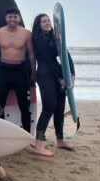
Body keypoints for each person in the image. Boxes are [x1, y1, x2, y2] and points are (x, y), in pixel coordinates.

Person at [31, 13, 75, 156]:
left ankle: (60, 140)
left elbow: (65, 55)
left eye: (49, 20)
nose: (47, 22)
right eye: (44, 21)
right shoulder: (38, 39)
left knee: (60, 107)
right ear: (38, 24)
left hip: (57, 74)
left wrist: (72, 74)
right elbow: (49, 60)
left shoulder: (55, 38)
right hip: (45, 74)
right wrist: (60, 79)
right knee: (49, 107)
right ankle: (38, 144)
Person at [0, 7, 36, 132]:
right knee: (0, 104)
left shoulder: (26, 33)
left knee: (24, 105)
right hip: (3, 70)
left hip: (20, 71)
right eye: (10, 16)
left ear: (19, 18)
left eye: (15, 16)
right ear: (6, 18)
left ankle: (26, 134)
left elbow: (31, 54)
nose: (12, 19)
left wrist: (33, 72)